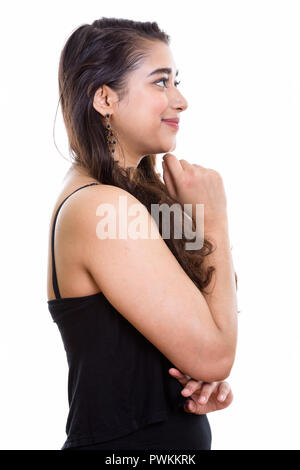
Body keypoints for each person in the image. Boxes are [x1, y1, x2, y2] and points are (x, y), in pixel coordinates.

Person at [47, 17, 238, 451]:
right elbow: (217, 353)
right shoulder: (101, 207)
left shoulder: (124, 198)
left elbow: (207, 346)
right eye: (160, 83)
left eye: (176, 81)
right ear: (105, 99)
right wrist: (214, 222)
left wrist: (198, 378)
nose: (180, 99)